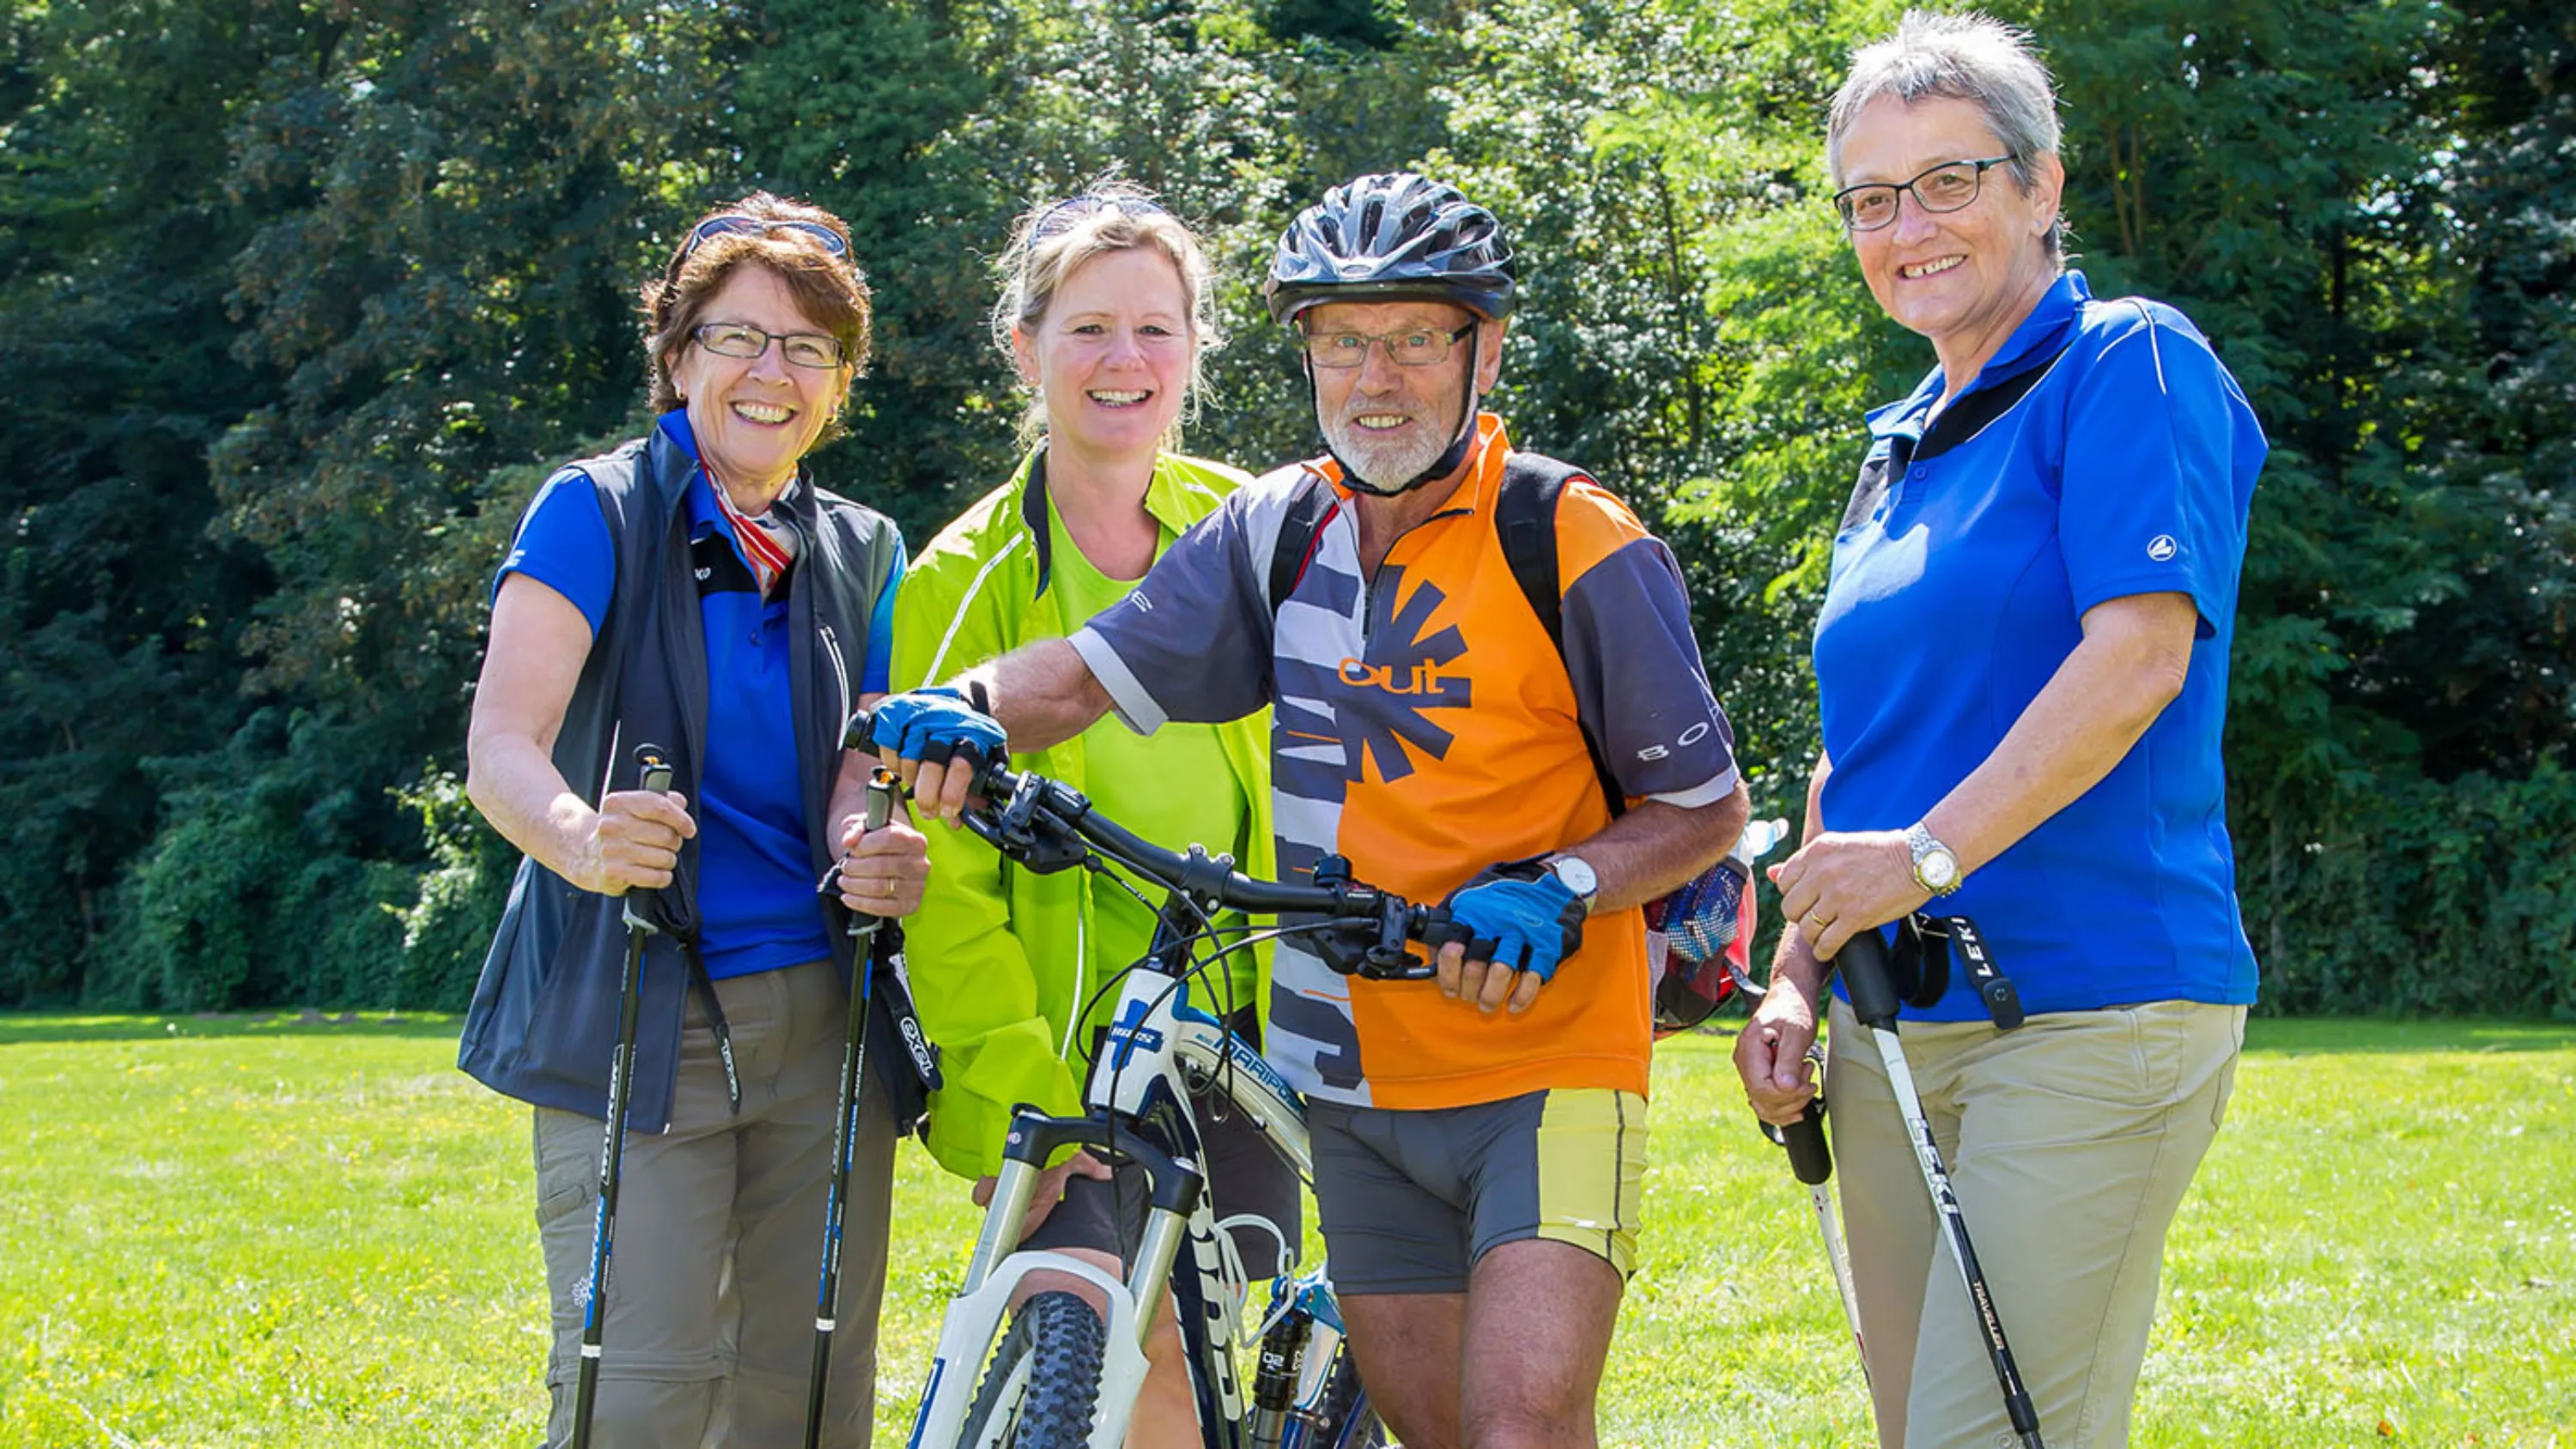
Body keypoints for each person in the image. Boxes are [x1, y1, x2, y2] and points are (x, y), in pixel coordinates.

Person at [871, 172, 1749, 1449]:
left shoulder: (1568, 536)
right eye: (1343, 341)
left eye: (1415, 339)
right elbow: (1091, 670)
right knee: (1431, 1430)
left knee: (1518, 1424)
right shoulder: (1275, 529)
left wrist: (1561, 884)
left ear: (1485, 351)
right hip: (1348, 1082)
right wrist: (967, 704)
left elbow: (1704, 807)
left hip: (1545, 1064)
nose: (1376, 378)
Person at [1733, 13, 2267, 1449]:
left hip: (2092, 1006)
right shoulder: (1896, 442)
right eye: (1871, 198)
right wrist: (1796, 976)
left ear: (2042, 186)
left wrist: (1923, 858)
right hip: (1893, 1023)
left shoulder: (2128, 360)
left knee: (1993, 1436)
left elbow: (2138, 659)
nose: (1908, 227)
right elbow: (1865, 744)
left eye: (1949, 180)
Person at [458, 191, 932, 1449]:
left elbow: (861, 766)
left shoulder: (868, 548)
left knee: (808, 1396)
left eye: (809, 347)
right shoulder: (596, 509)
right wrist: (582, 838)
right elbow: (501, 747)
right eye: (737, 337)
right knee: (640, 1396)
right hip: (639, 1007)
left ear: (841, 382)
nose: (772, 373)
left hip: (826, 1024)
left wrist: (869, 843)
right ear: (678, 357)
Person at [890, 183, 1288, 1447]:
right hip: (1066, 1049)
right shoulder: (962, 577)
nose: (1126, 359)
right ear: (1026, 350)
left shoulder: (1249, 526)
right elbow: (938, 880)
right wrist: (1024, 1091)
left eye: (1156, 329)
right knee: (1098, 1322)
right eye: (1089, 329)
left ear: (1195, 351)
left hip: (1247, 1031)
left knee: (1210, 1362)